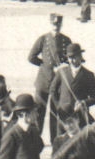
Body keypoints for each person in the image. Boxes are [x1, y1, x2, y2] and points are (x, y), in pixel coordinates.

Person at [27, 13, 71, 143]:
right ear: (50, 23)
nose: (56, 26)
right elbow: (31, 57)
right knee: (39, 112)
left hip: (58, 82)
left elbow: (71, 59)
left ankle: (55, 141)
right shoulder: (43, 39)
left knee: (55, 112)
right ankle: (36, 140)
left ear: (61, 25)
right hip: (43, 82)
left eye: (58, 24)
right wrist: (44, 65)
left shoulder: (66, 40)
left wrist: (62, 66)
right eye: (54, 24)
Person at [0, 93, 44, 159]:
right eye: (34, 112)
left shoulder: (34, 131)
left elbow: (40, 147)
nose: (37, 115)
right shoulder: (11, 135)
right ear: (24, 114)